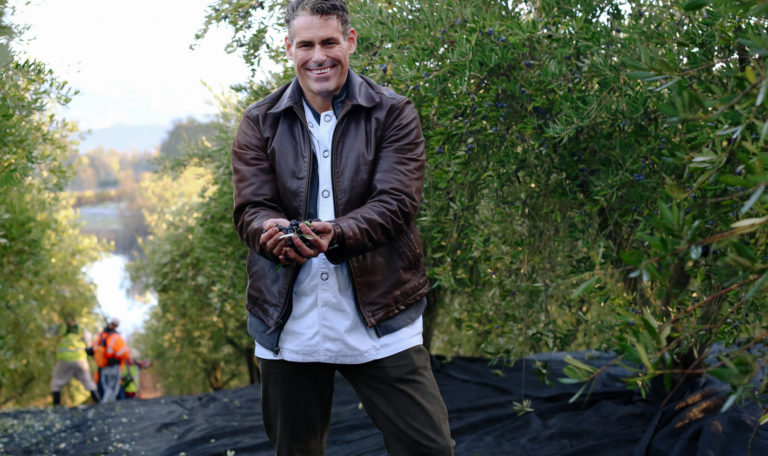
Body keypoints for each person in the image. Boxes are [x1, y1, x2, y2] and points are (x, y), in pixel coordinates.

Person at [231, 0, 453, 453]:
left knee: (429, 449)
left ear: (349, 41)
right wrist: (270, 234)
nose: (319, 56)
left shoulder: (393, 113)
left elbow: (397, 203)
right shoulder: (259, 121)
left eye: (330, 42)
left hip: (381, 316)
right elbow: (250, 208)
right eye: (307, 44)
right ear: (289, 48)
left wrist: (339, 234)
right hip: (288, 322)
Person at [50, 317, 100, 406]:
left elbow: (46, 332)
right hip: (80, 360)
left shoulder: (61, 328)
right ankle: (98, 402)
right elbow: (89, 344)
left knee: (56, 383)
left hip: (64, 360)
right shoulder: (82, 330)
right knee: (88, 382)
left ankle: (56, 407)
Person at [92, 316, 132, 403]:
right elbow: (125, 352)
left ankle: (104, 406)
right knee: (112, 388)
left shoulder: (100, 336)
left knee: (104, 388)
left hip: (102, 367)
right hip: (112, 367)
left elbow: (93, 350)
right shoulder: (116, 337)